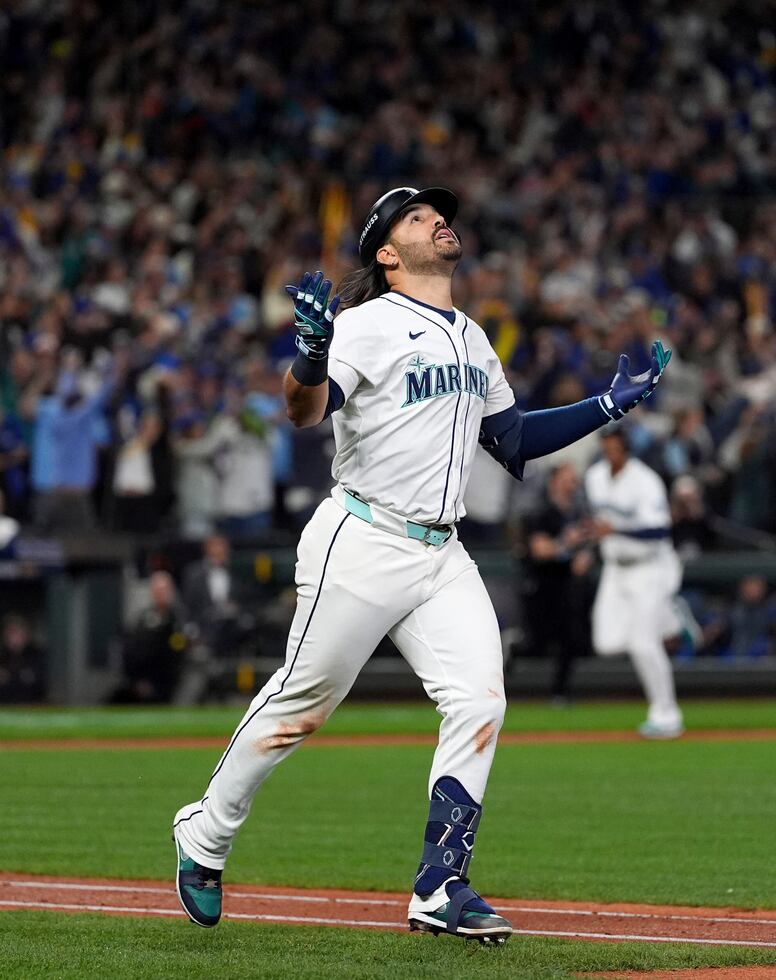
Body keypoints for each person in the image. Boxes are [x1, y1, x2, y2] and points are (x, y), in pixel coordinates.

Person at [171, 185, 671, 942]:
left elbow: (511, 440)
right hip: (364, 536)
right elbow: (305, 411)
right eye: (415, 217)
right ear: (385, 251)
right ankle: (205, 833)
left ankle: (442, 883)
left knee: (480, 700)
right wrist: (309, 356)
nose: (438, 220)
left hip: (442, 551)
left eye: (436, 213)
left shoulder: (472, 336)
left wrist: (604, 406)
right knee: (300, 708)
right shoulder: (367, 324)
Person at [584, 427, 685, 739]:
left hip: (649, 568)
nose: (609, 453)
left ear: (626, 449)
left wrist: (614, 531)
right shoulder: (595, 476)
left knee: (643, 643)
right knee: (607, 642)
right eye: (606, 448)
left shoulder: (646, 481)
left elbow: (659, 532)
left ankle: (666, 714)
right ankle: (669, 620)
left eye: (615, 448)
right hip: (615, 569)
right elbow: (597, 523)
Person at [520, 463, 594, 702]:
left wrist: (586, 555)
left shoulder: (579, 511)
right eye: (567, 478)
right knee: (536, 643)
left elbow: (588, 545)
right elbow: (540, 550)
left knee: (570, 639)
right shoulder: (541, 511)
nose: (572, 483)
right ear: (554, 481)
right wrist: (566, 543)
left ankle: (560, 692)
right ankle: (510, 650)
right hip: (542, 583)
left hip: (567, 585)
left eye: (574, 479)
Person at [109, 571, 187, 704]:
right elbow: (131, 650)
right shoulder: (142, 620)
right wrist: (137, 680)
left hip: (168, 685)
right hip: (139, 683)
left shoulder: (178, 621)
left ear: (171, 592)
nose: (160, 594)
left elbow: (177, 658)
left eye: (163, 590)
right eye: (157, 590)